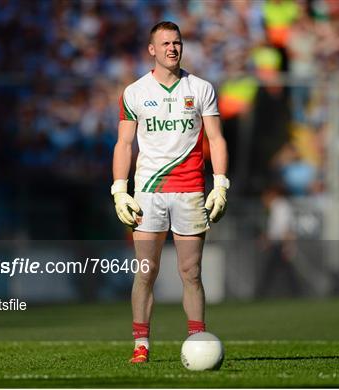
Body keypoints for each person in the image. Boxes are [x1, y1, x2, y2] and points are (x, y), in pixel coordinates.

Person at [111, 21, 229, 363]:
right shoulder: (134, 92)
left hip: (191, 190)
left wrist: (220, 183)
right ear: (152, 49)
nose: (172, 48)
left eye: (176, 42)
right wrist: (120, 189)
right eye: (164, 44)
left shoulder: (201, 88)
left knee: (191, 272)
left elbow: (217, 138)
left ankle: (198, 339)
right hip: (148, 192)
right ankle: (141, 345)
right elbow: (123, 143)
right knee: (146, 272)